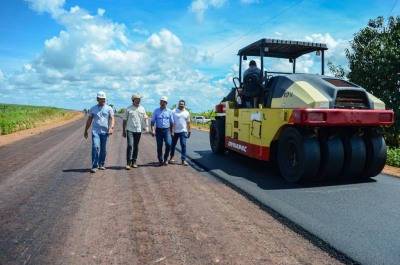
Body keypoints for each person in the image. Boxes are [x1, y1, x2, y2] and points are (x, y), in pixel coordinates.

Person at [84, 91, 115, 173]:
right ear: (97, 99)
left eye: (104, 99)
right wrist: (86, 130)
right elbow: (89, 120)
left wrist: (111, 128)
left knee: (103, 149)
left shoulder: (109, 108)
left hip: (105, 132)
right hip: (95, 131)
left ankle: (101, 164)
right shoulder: (93, 108)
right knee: (95, 147)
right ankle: (94, 165)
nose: (103, 101)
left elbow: (112, 118)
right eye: (101, 99)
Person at [122, 93, 149, 170]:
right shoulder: (128, 109)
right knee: (130, 145)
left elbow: (146, 118)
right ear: (133, 100)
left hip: (138, 130)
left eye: (139, 99)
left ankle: (134, 161)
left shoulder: (142, 108)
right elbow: (124, 120)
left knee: (136, 146)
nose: (139, 100)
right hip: (130, 129)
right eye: (137, 99)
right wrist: (123, 131)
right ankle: (128, 162)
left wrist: (147, 126)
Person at [150, 96, 174, 166]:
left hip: (167, 130)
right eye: (161, 102)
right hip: (159, 130)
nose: (163, 103)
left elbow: (172, 122)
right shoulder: (156, 111)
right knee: (159, 146)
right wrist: (153, 130)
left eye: (164, 102)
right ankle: (160, 160)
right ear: (160, 102)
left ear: (166, 103)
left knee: (169, 144)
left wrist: (172, 131)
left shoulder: (169, 111)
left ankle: (166, 158)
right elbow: (152, 122)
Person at [169, 100, 191, 166]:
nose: (181, 105)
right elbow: (171, 122)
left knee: (183, 145)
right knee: (173, 145)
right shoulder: (173, 111)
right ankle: (171, 158)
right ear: (178, 104)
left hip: (183, 131)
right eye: (180, 104)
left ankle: (183, 160)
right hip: (175, 131)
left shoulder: (187, 113)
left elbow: (188, 123)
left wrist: (189, 131)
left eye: (182, 104)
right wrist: (172, 131)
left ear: (184, 105)